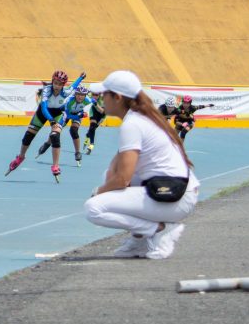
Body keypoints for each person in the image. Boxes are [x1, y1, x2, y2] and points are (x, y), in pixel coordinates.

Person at [83, 70, 200, 260]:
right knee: (108, 175)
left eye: (104, 94)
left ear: (118, 97)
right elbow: (117, 169)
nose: (100, 98)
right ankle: (140, 240)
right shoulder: (141, 118)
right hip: (178, 191)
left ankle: (158, 229)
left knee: (93, 208)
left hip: (174, 196)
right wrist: (108, 182)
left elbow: (122, 179)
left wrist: (99, 191)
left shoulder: (133, 124)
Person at [7, 69, 86, 182]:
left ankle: (55, 165)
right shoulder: (47, 90)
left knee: (55, 136)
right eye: (55, 83)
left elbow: (74, 86)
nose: (56, 86)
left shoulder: (67, 92)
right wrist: (51, 120)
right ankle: (21, 157)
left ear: (63, 85)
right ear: (52, 81)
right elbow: (44, 108)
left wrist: (81, 78)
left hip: (58, 113)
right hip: (43, 113)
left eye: (59, 84)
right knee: (28, 135)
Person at [39, 85, 93, 166]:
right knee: (56, 131)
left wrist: (80, 115)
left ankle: (77, 152)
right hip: (67, 114)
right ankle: (47, 143)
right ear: (75, 94)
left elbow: (84, 114)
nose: (80, 97)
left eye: (82, 95)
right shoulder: (69, 100)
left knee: (74, 131)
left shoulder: (88, 101)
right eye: (78, 94)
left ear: (85, 96)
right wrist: (78, 116)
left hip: (78, 114)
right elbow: (67, 115)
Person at [84, 89, 106, 155]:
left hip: (102, 114)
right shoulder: (91, 97)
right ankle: (91, 145)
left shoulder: (104, 100)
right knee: (92, 127)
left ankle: (87, 135)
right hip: (93, 112)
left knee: (92, 129)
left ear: (99, 95)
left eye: (96, 95)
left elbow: (102, 111)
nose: (94, 96)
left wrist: (96, 104)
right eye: (93, 95)